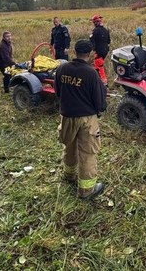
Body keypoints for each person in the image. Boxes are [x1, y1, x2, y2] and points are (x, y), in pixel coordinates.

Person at [55, 40, 107, 199]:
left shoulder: (62, 68)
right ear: (90, 53)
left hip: (67, 117)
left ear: (74, 51)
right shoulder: (91, 73)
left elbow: (58, 92)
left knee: (69, 147)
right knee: (87, 153)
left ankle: (69, 175)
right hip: (86, 120)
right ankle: (86, 191)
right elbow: (99, 102)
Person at [89, 14, 111, 85]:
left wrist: (93, 50)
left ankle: (104, 82)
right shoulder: (106, 30)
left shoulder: (95, 31)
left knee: (99, 66)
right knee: (97, 65)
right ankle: (97, 80)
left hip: (99, 51)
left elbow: (92, 42)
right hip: (105, 51)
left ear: (95, 22)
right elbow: (108, 41)